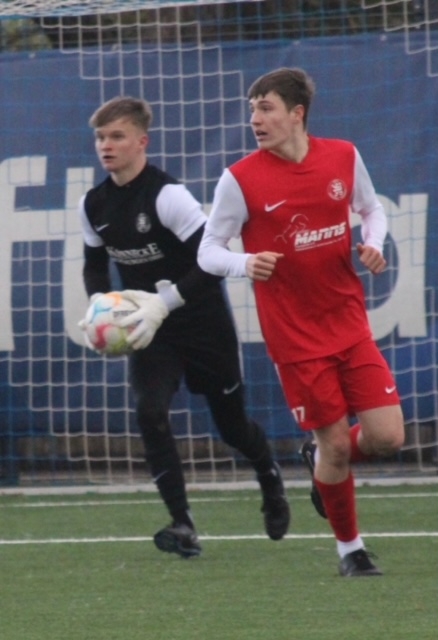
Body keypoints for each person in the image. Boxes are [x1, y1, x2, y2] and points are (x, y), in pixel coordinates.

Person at [198, 67, 405, 577]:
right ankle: (351, 550)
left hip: (349, 322)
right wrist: (245, 263)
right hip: (295, 338)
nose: (255, 119)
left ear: (297, 114)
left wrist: (373, 243)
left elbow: (372, 209)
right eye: (252, 110)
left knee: (387, 438)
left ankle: (322, 462)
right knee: (335, 443)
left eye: (265, 108)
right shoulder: (239, 179)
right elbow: (208, 250)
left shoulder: (343, 156)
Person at [77, 96, 290, 558]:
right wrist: (99, 303)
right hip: (150, 331)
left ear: (141, 141)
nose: (106, 145)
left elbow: (212, 263)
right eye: (100, 137)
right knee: (149, 412)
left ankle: (269, 476)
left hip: (202, 324)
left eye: (117, 136)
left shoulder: (167, 197)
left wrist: (165, 302)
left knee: (232, 428)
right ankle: (183, 524)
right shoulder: (93, 204)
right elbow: (94, 265)